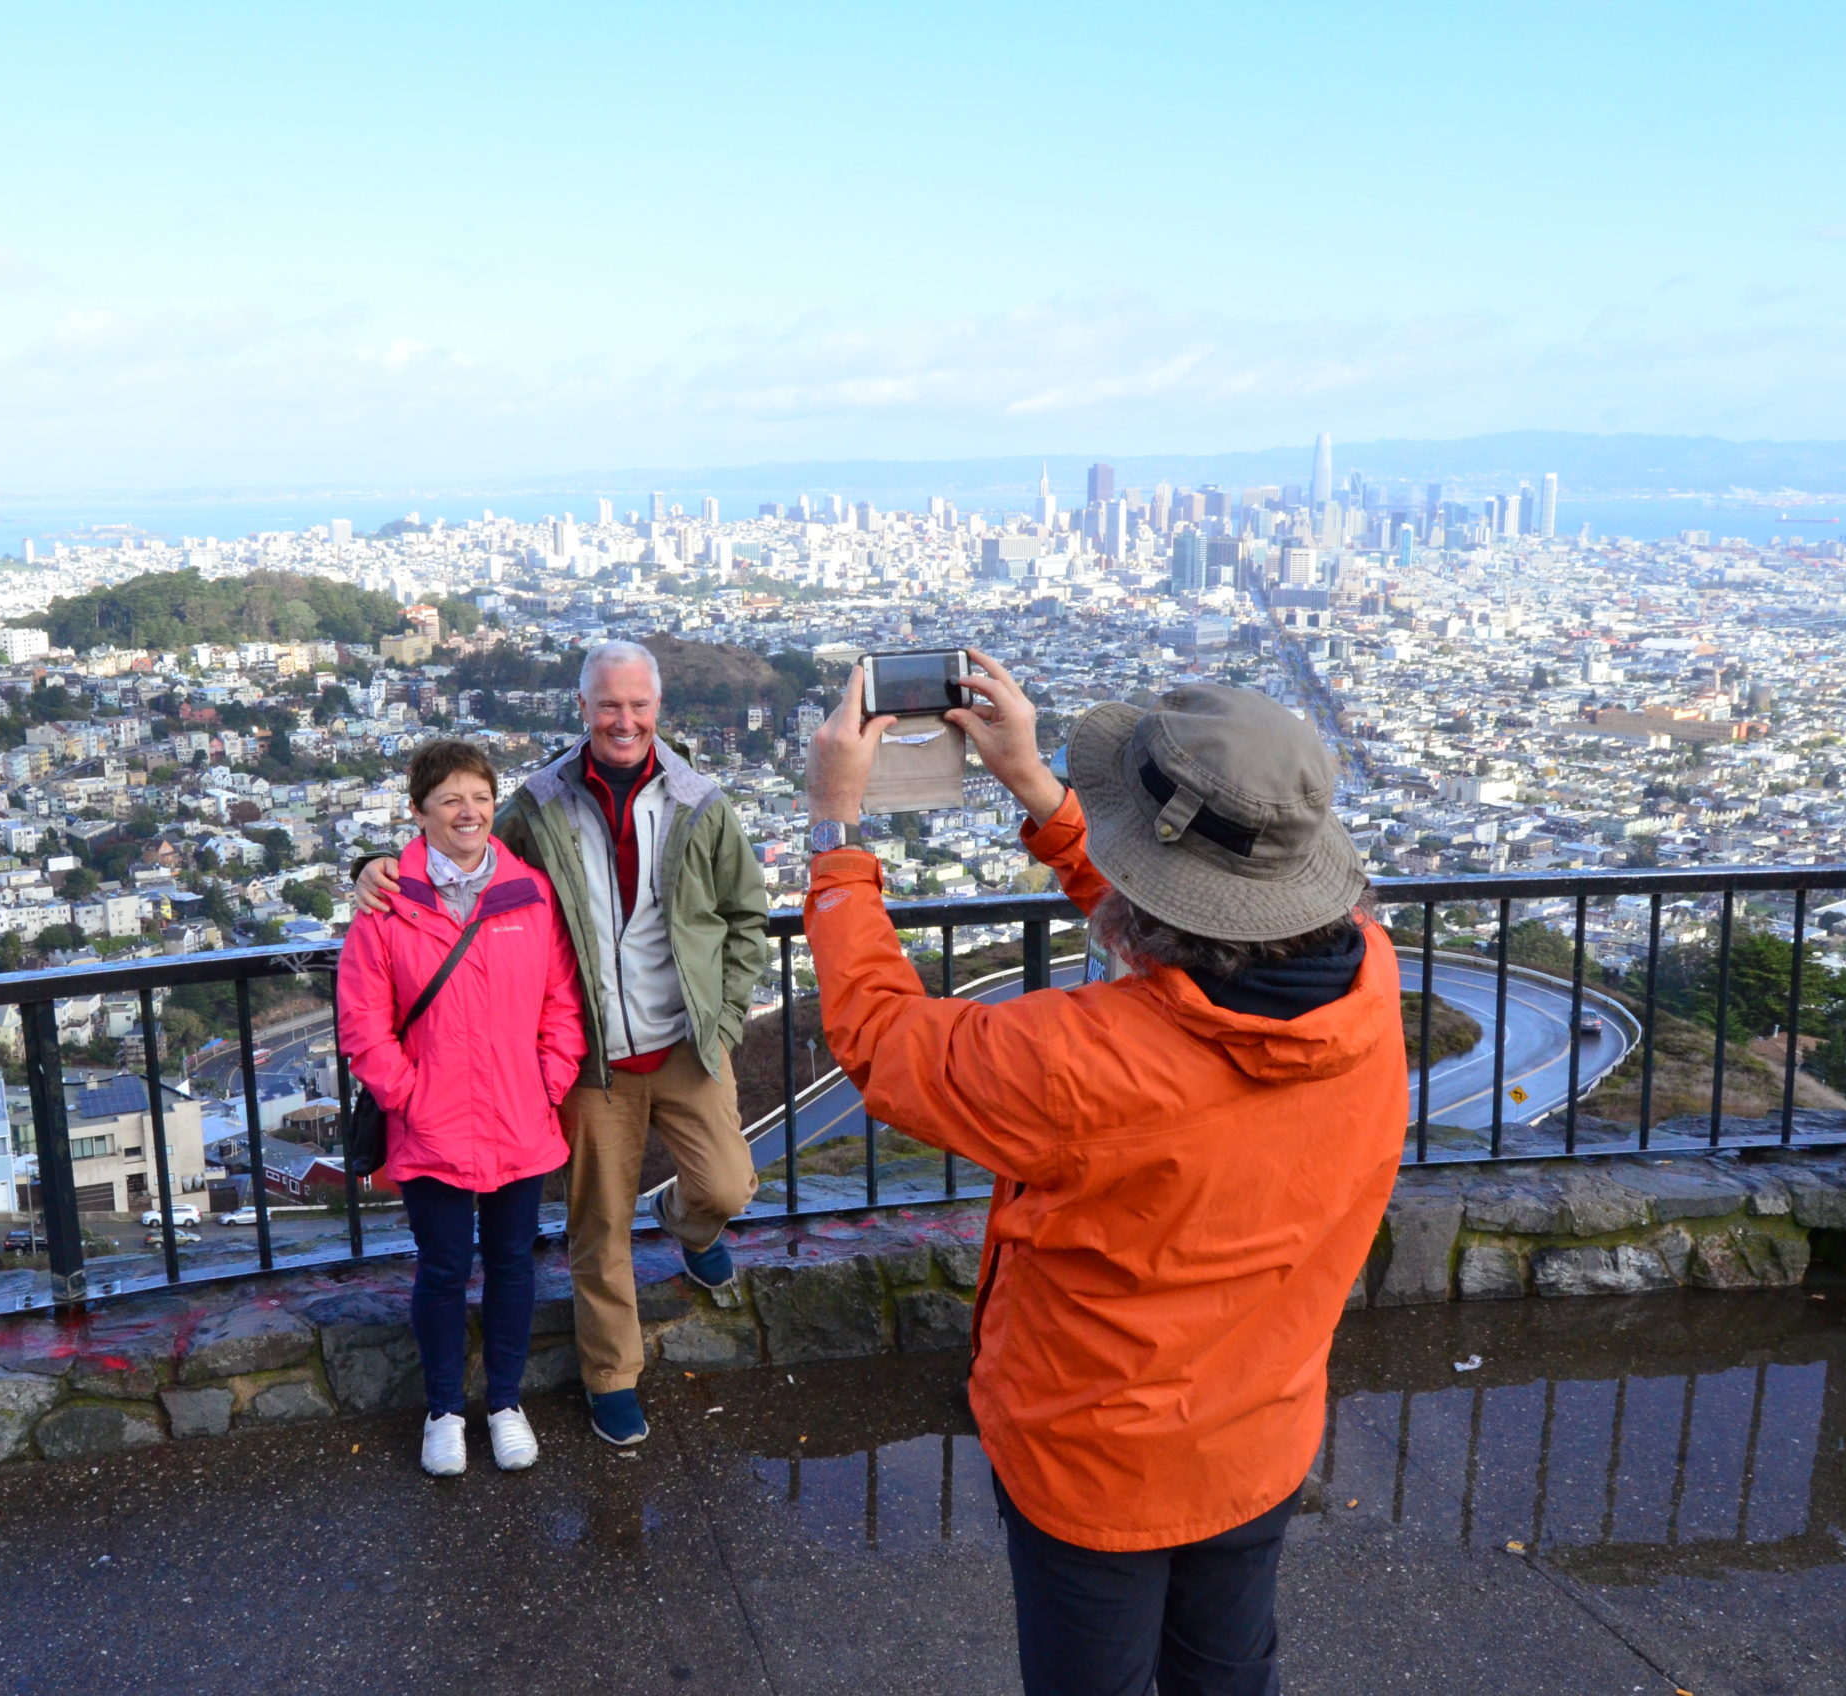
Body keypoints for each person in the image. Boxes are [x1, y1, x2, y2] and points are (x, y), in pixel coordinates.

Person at [800, 654, 1408, 1696]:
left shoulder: (1082, 1060)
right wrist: (1037, 791)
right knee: (1228, 1675)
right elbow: (1201, 920)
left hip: (1095, 1457)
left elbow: (883, 1041)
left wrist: (835, 834)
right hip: (1260, 1426)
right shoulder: (1367, 978)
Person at [353, 641, 769, 1448]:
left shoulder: (700, 801)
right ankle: (612, 1376)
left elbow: (745, 916)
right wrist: (370, 867)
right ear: (582, 709)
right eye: (608, 705)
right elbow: (468, 859)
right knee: (599, 1229)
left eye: (638, 705)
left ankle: (690, 1223)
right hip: (593, 1057)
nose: (623, 720)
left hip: (684, 1040)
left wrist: (722, 1021)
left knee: (725, 1185)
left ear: (658, 710)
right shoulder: (538, 805)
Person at [338, 739, 586, 1477]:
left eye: (479, 796)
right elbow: (362, 1022)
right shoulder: (389, 902)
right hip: (432, 1123)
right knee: (443, 1268)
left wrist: (548, 1079)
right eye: (449, 799)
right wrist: (407, 1094)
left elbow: (561, 1003)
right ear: (418, 813)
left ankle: (505, 1403)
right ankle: (444, 1410)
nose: (468, 812)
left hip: (518, 1116)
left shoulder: (529, 895)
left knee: (514, 1263)